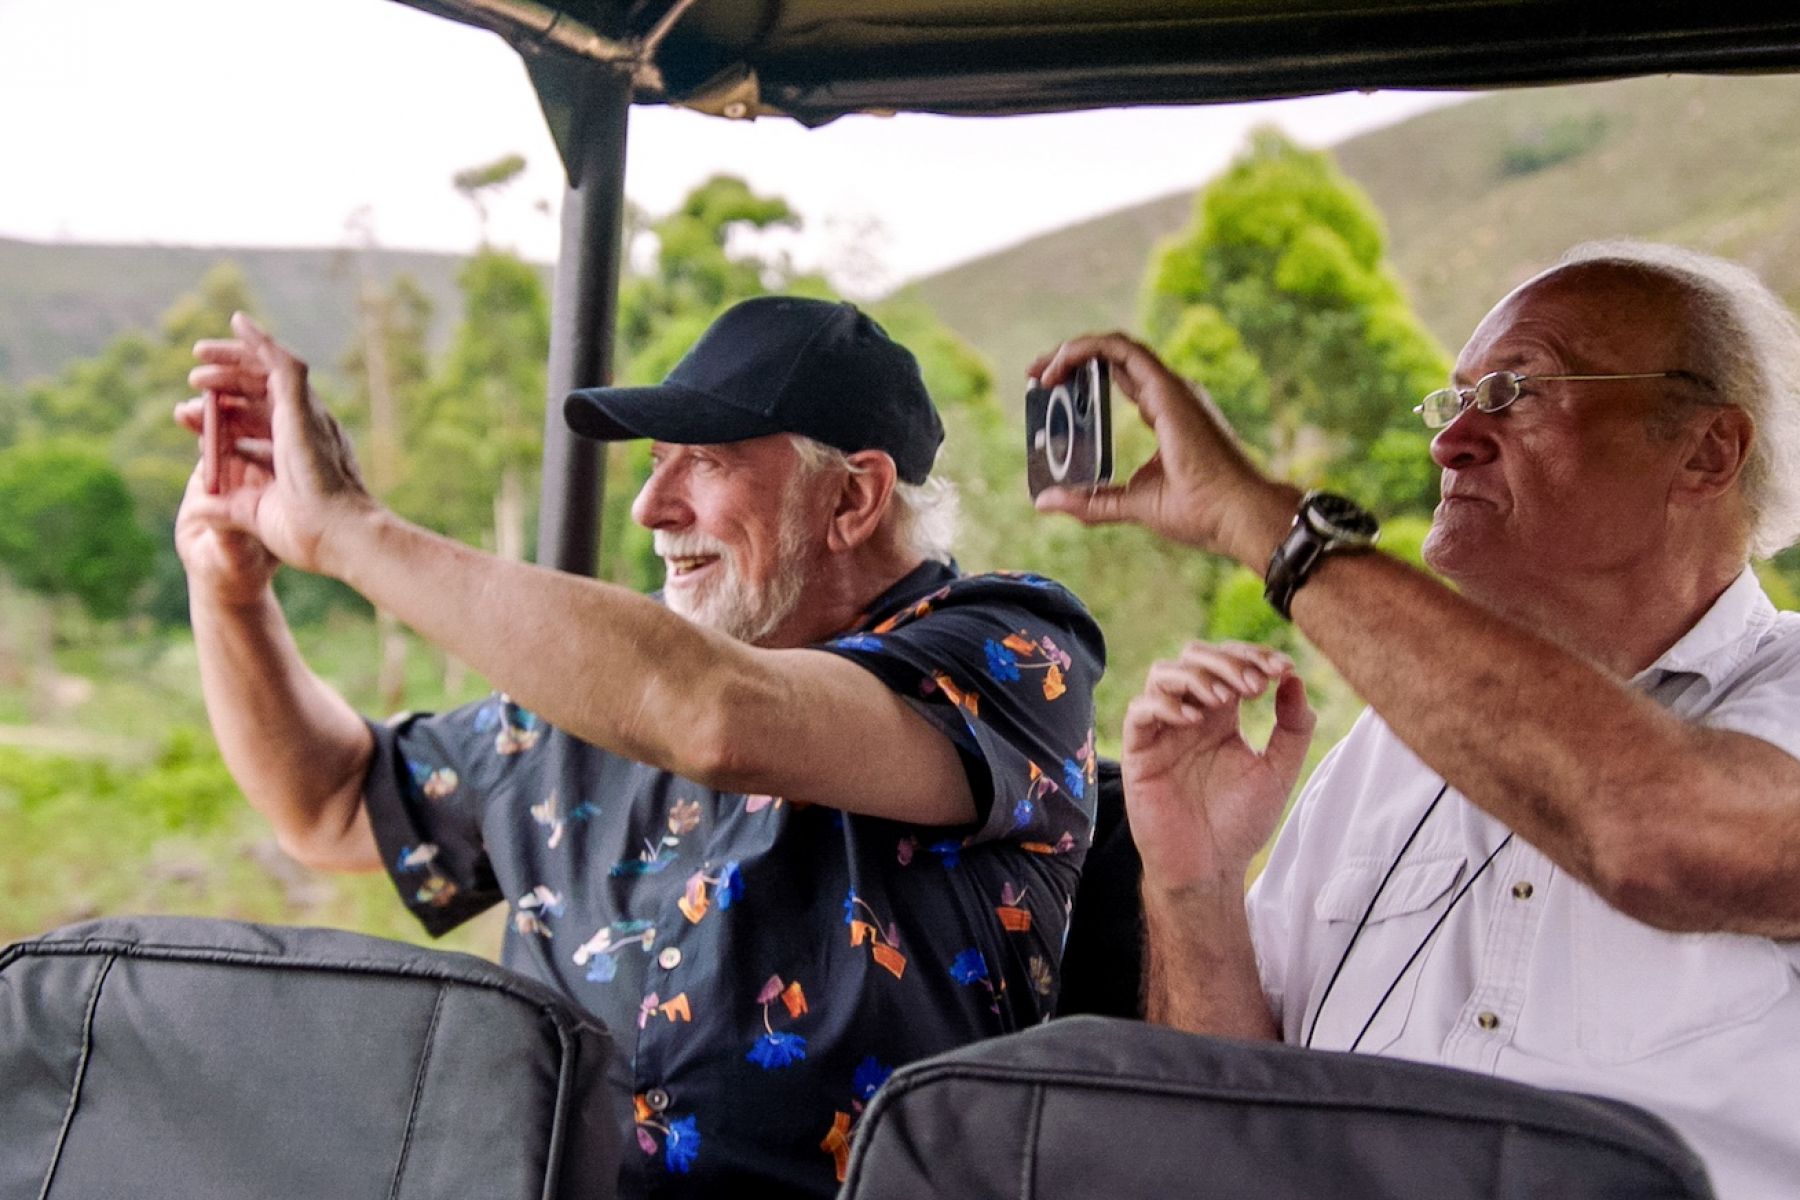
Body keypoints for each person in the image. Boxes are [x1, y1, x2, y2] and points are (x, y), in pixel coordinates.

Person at [174, 296, 1104, 1198]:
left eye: (701, 462)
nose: (651, 508)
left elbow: (715, 718)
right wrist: (231, 594)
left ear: (853, 497)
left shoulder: (1009, 650)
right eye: (655, 465)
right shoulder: (605, 684)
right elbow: (335, 802)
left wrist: (348, 532)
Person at [1033, 242, 1800, 1200]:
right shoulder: (1390, 746)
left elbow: (1665, 836)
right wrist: (1198, 883)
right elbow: (1239, 1124)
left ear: (1707, 450)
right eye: (1455, 402)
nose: (1451, 442)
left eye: (1516, 392)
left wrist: (1268, 523)